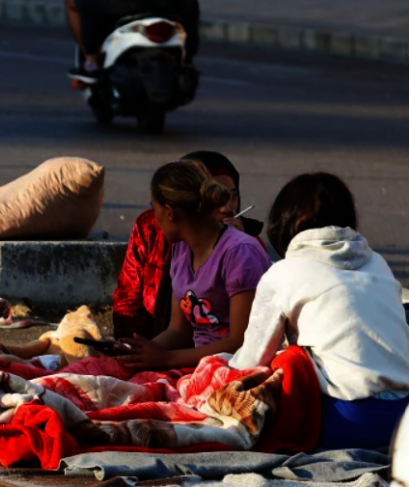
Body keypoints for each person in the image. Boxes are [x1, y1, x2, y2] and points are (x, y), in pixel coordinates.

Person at [232, 173, 409, 450]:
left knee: (290, 360)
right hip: (404, 421)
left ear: (286, 224)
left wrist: (217, 372)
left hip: (350, 422)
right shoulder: (378, 262)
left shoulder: (283, 273)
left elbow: (253, 359)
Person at [115, 159, 271, 371]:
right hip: (198, 367)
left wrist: (167, 359)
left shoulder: (240, 254)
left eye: (155, 208)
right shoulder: (181, 250)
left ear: (169, 211)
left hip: (237, 370)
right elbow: (179, 331)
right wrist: (137, 354)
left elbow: (241, 342)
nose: (155, 217)